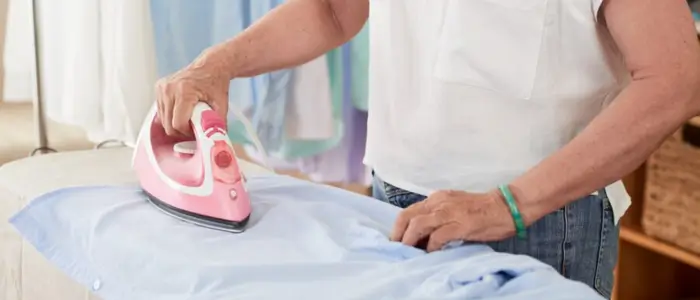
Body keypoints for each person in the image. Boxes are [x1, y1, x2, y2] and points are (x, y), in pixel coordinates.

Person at [155, 0, 700, 297]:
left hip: (537, 223)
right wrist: (216, 65)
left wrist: (508, 205)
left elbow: (676, 76)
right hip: (394, 205)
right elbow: (334, 10)